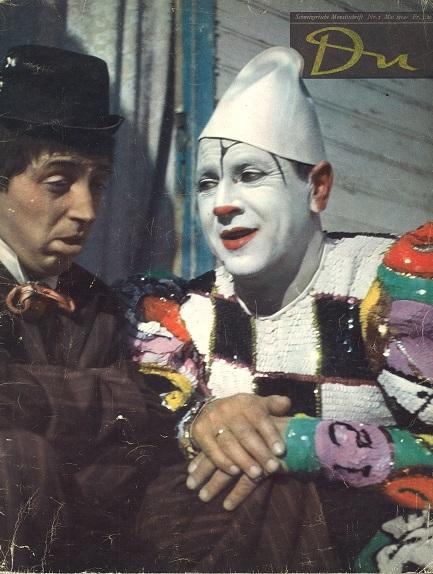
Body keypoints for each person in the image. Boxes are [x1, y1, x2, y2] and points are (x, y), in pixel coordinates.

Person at [121, 47, 433, 572]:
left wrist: (299, 443)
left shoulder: (387, 289)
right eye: (206, 183)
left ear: (317, 187)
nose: (223, 202)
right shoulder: (185, 313)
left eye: (249, 174)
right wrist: (200, 421)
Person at [0, 44, 174, 572]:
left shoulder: (96, 303)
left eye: (98, 183)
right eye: (59, 184)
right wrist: (116, 396)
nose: (88, 210)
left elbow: (135, 443)